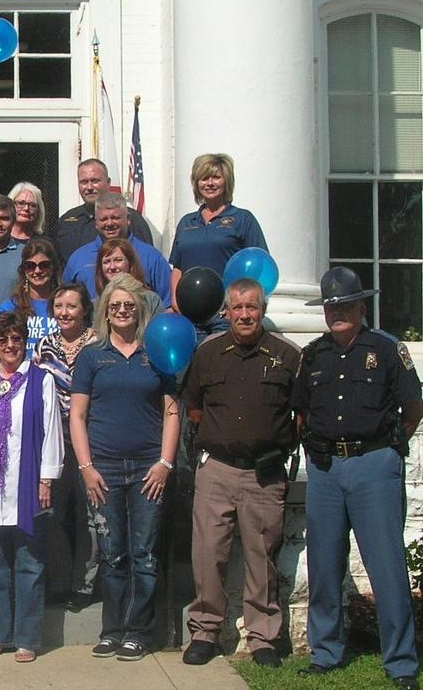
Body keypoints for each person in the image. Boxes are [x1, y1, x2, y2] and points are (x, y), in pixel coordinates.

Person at [291, 266, 423, 690]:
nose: (338, 313)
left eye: (345, 305)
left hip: (374, 466)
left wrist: (386, 450)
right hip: (327, 469)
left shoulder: (387, 350)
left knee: (386, 566)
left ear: (361, 306)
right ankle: (326, 651)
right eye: (331, 307)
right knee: (325, 565)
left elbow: (412, 408)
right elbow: (301, 412)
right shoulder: (313, 355)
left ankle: (401, 661)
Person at [180, 278, 299, 668]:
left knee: (261, 557)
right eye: (237, 308)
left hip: (264, 474)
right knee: (207, 554)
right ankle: (205, 631)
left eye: (252, 307)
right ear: (226, 312)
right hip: (216, 470)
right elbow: (194, 408)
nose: (245, 315)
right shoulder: (209, 353)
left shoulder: (287, 356)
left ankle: (263, 636)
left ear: (262, 311)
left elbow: (301, 415)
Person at [69, 273, 179, 662]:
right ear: (105, 311)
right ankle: (112, 629)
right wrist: (85, 466)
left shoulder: (158, 353)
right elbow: (78, 415)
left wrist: (165, 463)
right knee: (113, 554)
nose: (121, 311)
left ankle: (139, 631)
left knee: (144, 555)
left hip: (149, 470)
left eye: (128, 305)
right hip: (105, 470)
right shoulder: (92, 356)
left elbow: (171, 411)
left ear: (139, 309)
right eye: (114, 305)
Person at [0, 312, 63, 662]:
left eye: (16, 339)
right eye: (3, 339)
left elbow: (52, 432)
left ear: (25, 341)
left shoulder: (40, 380)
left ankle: (27, 639)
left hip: (28, 485)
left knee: (29, 565)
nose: (10, 346)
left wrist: (46, 479)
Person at [33, 283, 100, 613]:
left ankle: (84, 584)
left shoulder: (98, 344)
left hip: (91, 440)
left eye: (71, 306)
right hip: (55, 442)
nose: (64, 312)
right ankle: (59, 582)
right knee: (56, 514)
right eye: (59, 306)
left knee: (89, 516)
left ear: (84, 309)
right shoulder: (45, 347)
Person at [168, 153, 268, 334]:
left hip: (224, 317)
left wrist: (237, 306)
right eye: (204, 178)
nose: (210, 183)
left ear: (226, 181)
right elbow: (178, 267)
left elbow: (258, 267)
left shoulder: (243, 219)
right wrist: (176, 302)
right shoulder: (186, 222)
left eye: (216, 177)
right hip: (188, 317)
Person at [63, 192, 171, 307]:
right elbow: (65, 301)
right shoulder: (78, 259)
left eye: (115, 217)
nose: (109, 223)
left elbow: (168, 306)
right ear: (96, 223)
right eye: (104, 219)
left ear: (128, 219)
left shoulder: (152, 258)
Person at [54, 159, 153, 263]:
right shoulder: (67, 221)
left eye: (95, 181)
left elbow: (146, 260)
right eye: (84, 182)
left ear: (108, 182)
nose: (89, 187)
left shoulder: (131, 219)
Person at [0, 239, 61, 350]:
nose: (37, 271)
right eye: (30, 266)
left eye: (44, 265)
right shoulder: (10, 307)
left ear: (53, 267)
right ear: (24, 270)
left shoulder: (65, 304)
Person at [94, 238, 166, 318]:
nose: (112, 267)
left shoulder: (151, 301)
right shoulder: (95, 305)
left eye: (118, 260)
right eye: (106, 262)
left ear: (130, 263)